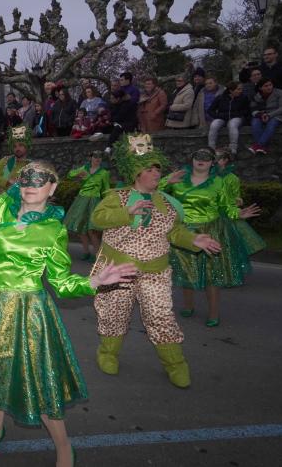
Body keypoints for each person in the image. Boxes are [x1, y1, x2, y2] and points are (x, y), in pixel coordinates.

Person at [0, 162, 137, 465]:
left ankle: (63, 445)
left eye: (40, 180)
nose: (31, 185)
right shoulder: (1, 206)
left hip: (25, 309)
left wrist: (94, 281)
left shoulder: (54, 230)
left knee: (38, 378)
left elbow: (61, 283)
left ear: (52, 188)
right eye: (26, 179)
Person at [90, 135, 221, 388]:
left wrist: (194, 240)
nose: (154, 174)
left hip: (156, 272)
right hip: (118, 271)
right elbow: (97, 219)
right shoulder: (116, 197)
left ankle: (176, 364)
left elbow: (174, 232)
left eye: (157, 169)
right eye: (149, 169)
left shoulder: (168, 203)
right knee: (113, 315)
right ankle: (107, 353)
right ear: (136, 173)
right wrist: (126, 212)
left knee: (160, 317)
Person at [162, 148, 260, 327]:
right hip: (183, 232)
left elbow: (226, 207)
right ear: (192, 159)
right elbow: (153, 193)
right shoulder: (178, 178)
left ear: (212, 162)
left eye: (206, 158)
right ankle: (188, 305)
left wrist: (238, 213)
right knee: (186, 269)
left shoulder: (218, 183)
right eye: (197, 156)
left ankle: (213, 313)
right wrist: (166, 181)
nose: (201, 160)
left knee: (211, 275)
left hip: (210, 231)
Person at [214, 148, 266, 257]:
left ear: (224, 161)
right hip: (210, 213)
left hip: (225, 214)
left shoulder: (233, 179)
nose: (213, 160)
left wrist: (236, 204)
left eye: (216, 158)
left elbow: (236, 198)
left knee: (226, 246)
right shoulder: (207, 176)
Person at [63, 150, 110, 261]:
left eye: (100, 157)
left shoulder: (104, 173)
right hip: (82, 200)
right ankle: (86, 251)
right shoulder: (84, 168)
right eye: (95, 156)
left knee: (92, 229)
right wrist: (78, 174)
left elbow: (106, 189)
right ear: (91, 158)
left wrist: (108, 202)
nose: (97, 159)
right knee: (80, 227)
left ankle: (98, 255)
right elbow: (69, 175)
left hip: (94, 201)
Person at [248, 78, 282, 155]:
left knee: (272, 124)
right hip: (262, 115)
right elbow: (252, 109)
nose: (269, 87)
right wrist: (261, 115)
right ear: (261, 88)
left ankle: (258, 145)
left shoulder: (280, 92)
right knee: (255, 123)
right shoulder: (256, 96)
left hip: (277, 115)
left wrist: (269, 115)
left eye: (270, 85)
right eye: (266, 86)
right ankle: (262, 148)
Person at [207, 81, 250, 155]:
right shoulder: (220, 97)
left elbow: (247, 111)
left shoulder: (244, 98)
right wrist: (219, 115)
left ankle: (233, 148)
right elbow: (210, 110)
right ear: (231, 90)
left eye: (241, 89)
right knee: (214, 124)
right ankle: (211, 148)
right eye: (238, 89)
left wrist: (236, 114)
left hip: (237, 117)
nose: (240, 91)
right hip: (223, 117)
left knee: (232, 124)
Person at [0, 126, 31, 194]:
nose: (17, 149)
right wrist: (7, 181)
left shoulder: (31, 165)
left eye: (20, 145)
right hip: (3, 201)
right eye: (15, 146)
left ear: (27, 146)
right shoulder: (6, 161)